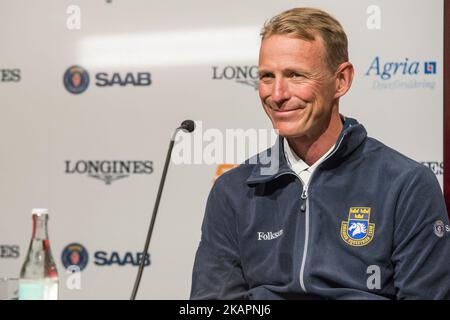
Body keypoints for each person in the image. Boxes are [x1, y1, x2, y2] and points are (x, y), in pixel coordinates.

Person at [190, 7, 450, 299]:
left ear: (341, 81)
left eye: (295, 75)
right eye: (266, 76)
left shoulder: (407, 184)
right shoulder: (233, 190)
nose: (276, 94)